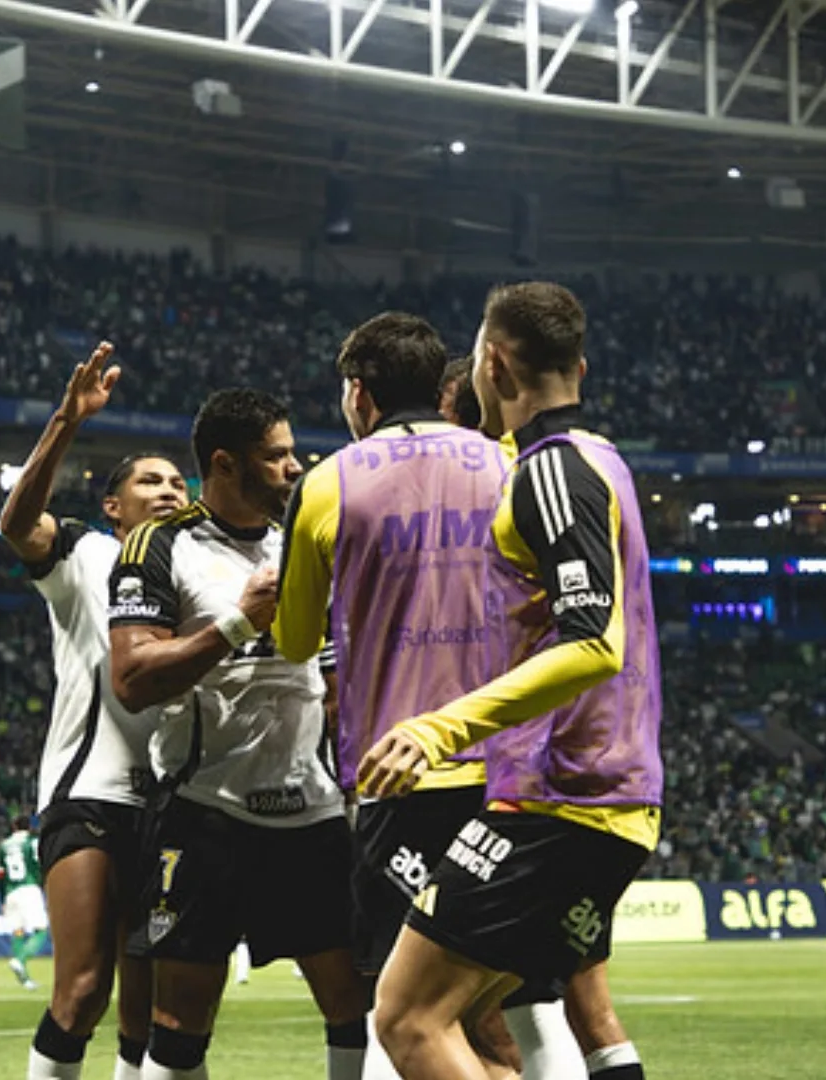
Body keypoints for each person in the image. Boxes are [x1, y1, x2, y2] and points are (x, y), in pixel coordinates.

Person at [359, 282, 663, 1080]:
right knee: (469, 1025)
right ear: (579, 369)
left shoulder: (550, 471)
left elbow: (592, 643)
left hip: (561, 797)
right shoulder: (602, 460)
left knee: (406, 1019)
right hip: (596, 796)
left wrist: (440, 726)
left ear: (491, 365)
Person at [275, 312, 546, 1079]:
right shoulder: (510, 466)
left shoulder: (327, 483)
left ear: (359, 393)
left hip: (405, 779)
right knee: (488, 1018)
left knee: (408, 1018)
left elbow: (295, 640)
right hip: (515, 778)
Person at [109, 388, 369, 1080]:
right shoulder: (159, 545)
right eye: (275, 455)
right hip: (206, 811)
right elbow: (131, 678)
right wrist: (238, 623)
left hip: (311, 811)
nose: (294, 467)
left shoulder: (307, 539)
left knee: (355, 1003)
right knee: (179, 1020)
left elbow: (336, 682)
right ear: (225, 464)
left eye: (293, 452)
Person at [1, 340, 185, 1080]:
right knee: (81, 992)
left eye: (177, 481)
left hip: (170, 805)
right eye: (150, 480)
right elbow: (18, 526)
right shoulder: (85, 553)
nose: (169, 489)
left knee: (146, 1007)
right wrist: (67, 422)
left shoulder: (197, 572)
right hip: (89, 795)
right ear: (114, 506)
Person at [2, 817, 51, 991]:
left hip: (10, 892)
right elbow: (39, 863)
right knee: (41, 931)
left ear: (13, 827)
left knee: (18, 931)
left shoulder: (4, 845)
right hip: (29, 889)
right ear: (29, 827)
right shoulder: (32, 842)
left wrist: (2, 898)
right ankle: (20, 960)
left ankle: (25, 980)